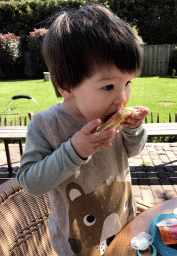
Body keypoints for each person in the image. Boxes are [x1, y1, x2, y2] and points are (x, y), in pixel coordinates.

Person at [17, 3, 149, 256]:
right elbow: (30, 182)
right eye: (109, 86)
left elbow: (133, 151)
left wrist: (134, 130)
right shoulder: (46, 125)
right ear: (66, 86)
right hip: (76, 240)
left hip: (123, 223)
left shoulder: (110, 115)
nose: (122, 98)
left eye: (128, 83)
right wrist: (74, 151)